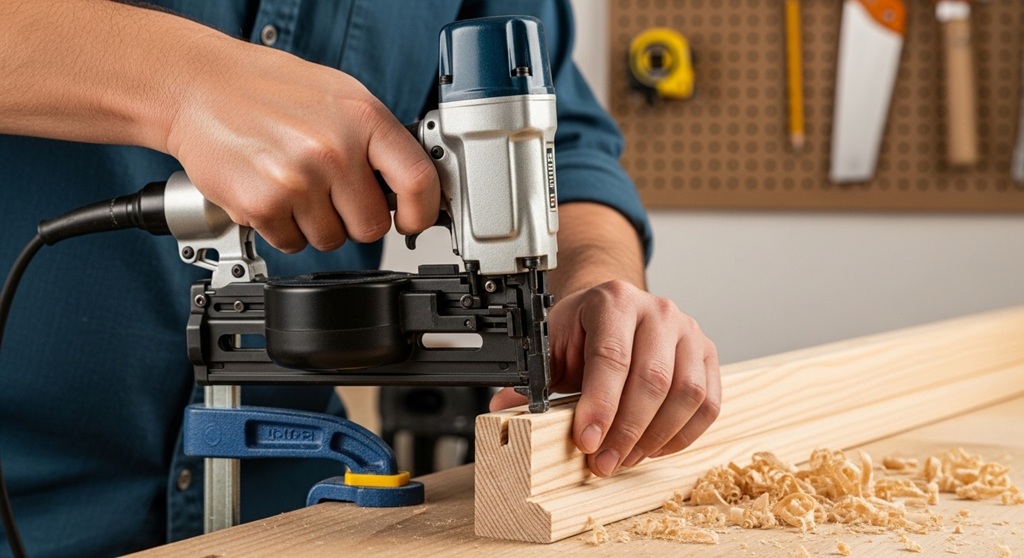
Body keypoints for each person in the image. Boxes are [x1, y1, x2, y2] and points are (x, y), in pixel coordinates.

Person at [0, 1, 720, 555]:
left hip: (297, 512)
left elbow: (566, 142)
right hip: (25, 504)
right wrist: (181, 81)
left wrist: (594, 278)